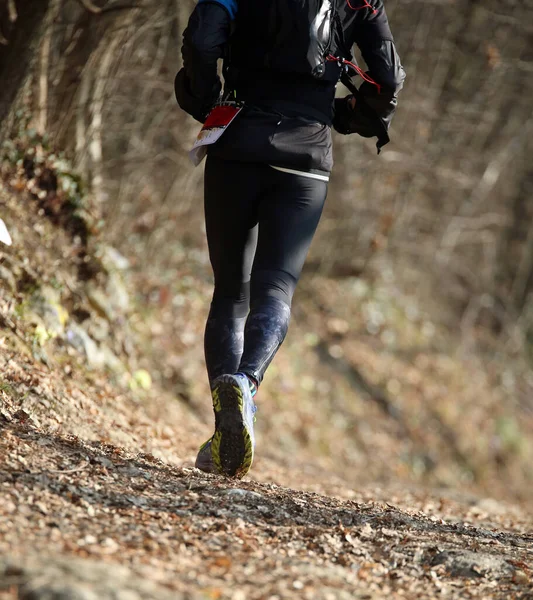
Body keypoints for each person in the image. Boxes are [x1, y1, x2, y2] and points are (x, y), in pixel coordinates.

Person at [175, 0, 405, 478]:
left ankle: (227, 423)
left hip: (236, 141)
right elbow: (389, 78)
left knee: (230, 293)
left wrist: (204, 97)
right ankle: (246, 381)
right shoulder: (360, 2)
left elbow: (201, 42)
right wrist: (349, 113)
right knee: (276, 288)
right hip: (306, 156)